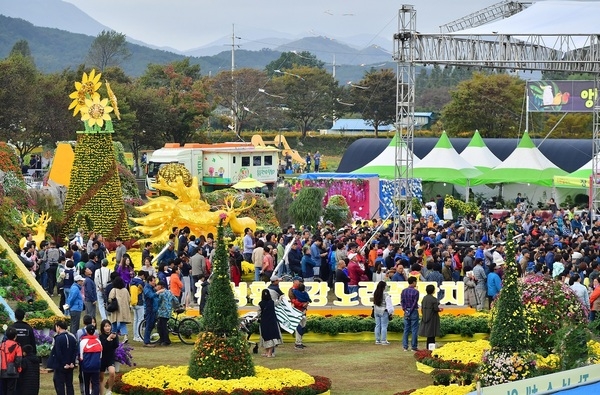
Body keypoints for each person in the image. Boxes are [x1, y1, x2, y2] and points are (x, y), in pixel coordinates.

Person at [48, 320, 78, 395]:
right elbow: (75, 351)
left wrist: (64, 363)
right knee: (69, 384)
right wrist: (72, 362)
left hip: (61, 365)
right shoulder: (72, 338)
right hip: (70, 365)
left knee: (59, 383)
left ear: (58, 327)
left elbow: (58, 352)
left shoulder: (58, 338)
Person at [257, 289, 282, 358]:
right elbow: (279, 303)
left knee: (265, 337)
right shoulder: (272, 302)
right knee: (272, 337)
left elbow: (258, 313)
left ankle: (267, 352)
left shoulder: (260, 303)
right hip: (272, 322)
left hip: (264, 322)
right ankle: (269, 353)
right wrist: (281, 298)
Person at [79, 324, 102, 395]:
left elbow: (81, 356)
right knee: (96, 383)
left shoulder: (83, 342)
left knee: (86, 383)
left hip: (86, 367)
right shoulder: (98, 341)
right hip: (96, 366)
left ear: (86, 331)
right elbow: (100, 356)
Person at [418, 284, 443, 350]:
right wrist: (440, 309)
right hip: (432, 318)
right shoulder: (434, 299)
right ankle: (431, 348)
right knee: (432, 334)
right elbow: (435, 309)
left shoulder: (424, 298)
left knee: (428, 335)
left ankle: (428, 347)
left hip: (425, 317)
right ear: (433, 291)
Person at [107, 276, 131, 341]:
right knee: (123, 323)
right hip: (124, 310)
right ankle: (125, 335)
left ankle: (113, 335)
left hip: (116, 309)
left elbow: (110, 299)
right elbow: (129, 299)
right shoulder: (125, 290)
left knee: (114, 322)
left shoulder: (113, 290)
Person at [98, 320, 119, 395]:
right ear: (102, 328)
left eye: (109, 326)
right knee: (101, 377)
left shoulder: (113, 335)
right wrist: (108, 339)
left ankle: (109, 390)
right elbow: (102, 346)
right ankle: (101, 392)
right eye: (105, 326)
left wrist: (115, 338)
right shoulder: (100, 337)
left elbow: (116, 345)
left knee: (112, 372)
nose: (107, 328)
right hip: (102, 358)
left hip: (110, 358)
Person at [0, 327, 22, 395]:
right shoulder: (17, 346)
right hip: (12, 370)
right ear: (15, 336)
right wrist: (18, 368)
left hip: (2, 370)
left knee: (3, 389)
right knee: (11, 389)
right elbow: (18, 359)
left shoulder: (2, 345)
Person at [400, 276, 420, 352]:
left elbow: (402, 301)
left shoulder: (403, 291)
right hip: (413, 311)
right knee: (414, 329)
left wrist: (405, 310)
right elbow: (415, 303)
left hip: (406, 311)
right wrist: (410, 311)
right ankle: (413, 347)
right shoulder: (416, 292)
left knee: (406, 329)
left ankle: (405, 346)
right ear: (414, 282)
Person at [156, 280, 178, 346]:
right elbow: (176, 300)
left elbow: (158, 302)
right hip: (168, 311)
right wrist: (176, 306)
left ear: (161, 286)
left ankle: (166, 341)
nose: (157, 287)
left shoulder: (161, 294)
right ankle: (162, 339)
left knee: (162, 326)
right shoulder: (170, 292)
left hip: (163, 312)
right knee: (161, 325)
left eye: (158, 286)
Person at [372, 281, 394, 345]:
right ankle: (383, 340)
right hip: (384, 311)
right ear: (384, 287)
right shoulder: (386, 295)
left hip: (376, 311)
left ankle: (377, 340)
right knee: (384, 326)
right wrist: (391, 312)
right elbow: (389, 305)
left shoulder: (375, 293)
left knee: (377, 325)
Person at [289, 277, 307, 350]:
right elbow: (292, 300)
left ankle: (300, 341)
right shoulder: (291, 290)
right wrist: (302, 304)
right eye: (300, 281)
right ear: (295, 282)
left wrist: (306, 303)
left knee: (303, 326)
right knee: (298, 327)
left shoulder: (300, 289)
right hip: (296, 310)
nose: (301, 283)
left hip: (303, 310)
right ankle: (298, 343)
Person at [143, 275, 161, 347]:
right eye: (153, 281)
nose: (154, 283)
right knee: (149, 325)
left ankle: (148, 340)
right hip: (150, 309)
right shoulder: (147, 288)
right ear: (149, 281)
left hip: (154, 309)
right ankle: (146, 342)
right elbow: (151, 296)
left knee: (152, 325)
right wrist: (158, 292)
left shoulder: (152, 288)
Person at [129, 271, 147, 342]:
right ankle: (139, 335)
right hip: (139, 302)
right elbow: (144, 291)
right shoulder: (141, 283)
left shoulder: (131, 281)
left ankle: (135, 336)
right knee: (140, 319)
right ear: (142, 275)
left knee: (135, 320)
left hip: (133, 302)